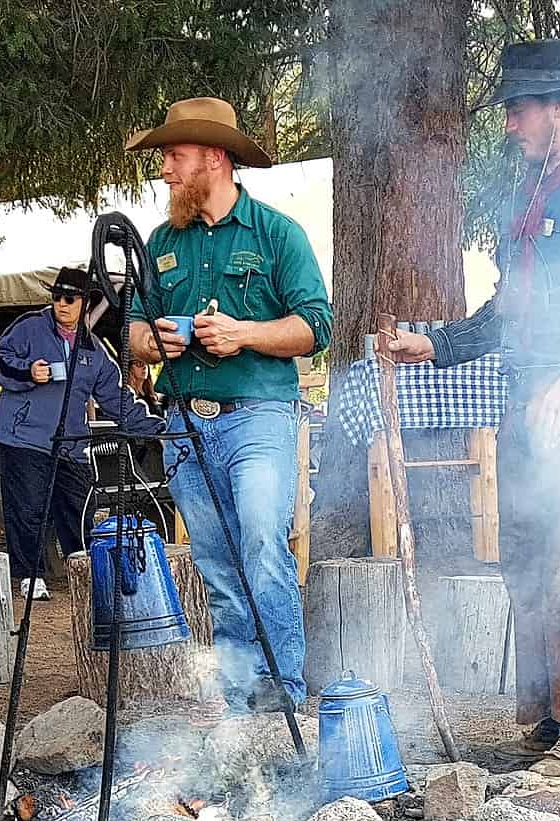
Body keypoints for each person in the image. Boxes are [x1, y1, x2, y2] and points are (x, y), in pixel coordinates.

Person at [382, 41, 560, 781]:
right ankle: (553, 715)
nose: (509, 124)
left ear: (556, 107)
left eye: (516, 109)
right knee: (527, 558)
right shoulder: (527, 195)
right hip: (523, 403)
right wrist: (439, 342)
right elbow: (504, 312)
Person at [124, 97, 331, 715]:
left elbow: (317, 327)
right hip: (185, 422)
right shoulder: (162, 240)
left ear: (214, 158)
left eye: (174, 157)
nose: (164, 170)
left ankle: (285, 695)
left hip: (258, 415)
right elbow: (134, 330)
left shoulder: (277, 234)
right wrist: (152, 340)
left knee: (263, 546)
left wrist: (243, 333)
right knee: (214, 562)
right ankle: (242, 700)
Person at [0, 266, 160, 603]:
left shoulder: (94, 351)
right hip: (24, 437)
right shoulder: (30, 328)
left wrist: (156, 426)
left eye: (69, 298)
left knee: (80, 506)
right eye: (56, 296)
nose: (61, 304)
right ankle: (30, 574)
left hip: (70, 442)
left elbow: (116, 399)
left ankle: (81, 567)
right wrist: (27, 372)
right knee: (27, 507)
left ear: (85, 302)